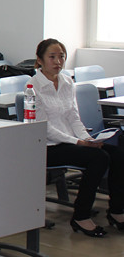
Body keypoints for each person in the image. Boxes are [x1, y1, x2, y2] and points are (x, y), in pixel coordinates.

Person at [31, 38, 124, 238]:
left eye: (61, 57)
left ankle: (117, 211)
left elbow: (74, 117)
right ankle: (81, 216)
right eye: (52, 57)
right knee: (99, 158)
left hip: (72, 141)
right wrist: (79, 142)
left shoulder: (67, 82)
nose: (58, 61)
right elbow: (44, 128)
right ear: (39, 60)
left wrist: (88, 140)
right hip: (49, 146)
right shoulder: (33, 86)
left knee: (117, 154)